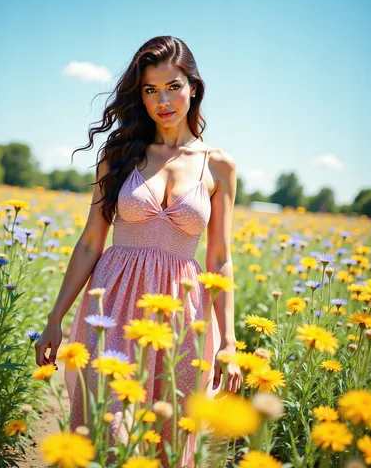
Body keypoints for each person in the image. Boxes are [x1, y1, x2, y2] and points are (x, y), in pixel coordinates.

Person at [35, 35, 241, 466]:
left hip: (183, 317)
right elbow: (92, 240)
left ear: (194, 87)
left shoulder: (218, 164)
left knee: (166, 441)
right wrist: (55, 318)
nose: (162, 100)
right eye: (150, 90)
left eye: (173, 87)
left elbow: (219, 258)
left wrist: (229, 341)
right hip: (113, 307)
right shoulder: (118, 154)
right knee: (107, 432)